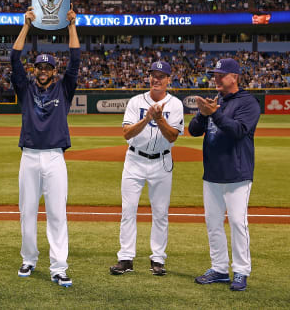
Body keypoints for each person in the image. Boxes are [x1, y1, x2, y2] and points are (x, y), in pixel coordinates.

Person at [10, 5, 80, 287]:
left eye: (47, 67)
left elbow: (75, 60)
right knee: (27, 211)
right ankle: (28, 258)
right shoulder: (25, 88)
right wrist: (26, 25)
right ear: (34, 69)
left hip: (53, 158)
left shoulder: (63, 88)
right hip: (29, 157)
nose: (42, 71)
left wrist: (72, 26)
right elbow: (13, 58)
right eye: (39, 67)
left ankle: (59, 266)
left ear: (53, 71)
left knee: (56, 213)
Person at [189, 58, 260, 291]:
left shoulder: (248, 103)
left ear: (234, 77)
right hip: (212, 173)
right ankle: (219, 268)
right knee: (213, 223)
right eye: (215, 74)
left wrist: (214, 114)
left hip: (238, 174)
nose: (216, 78)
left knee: (238, 222)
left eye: (221, 74)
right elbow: (193, 131)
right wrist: (202, 113)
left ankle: (241, 270)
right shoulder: (215, 101)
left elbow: (238, 131)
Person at [109, 61, 184, 277]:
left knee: (160, 212)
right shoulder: (135, 101)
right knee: (128, 210)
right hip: (135, 160)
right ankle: (125, 258)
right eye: (153, 75)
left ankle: (158, 259)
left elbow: (173, 136)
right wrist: (147, 118)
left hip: (161, 162)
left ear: (169, 79)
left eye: (161, 76)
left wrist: (159, 119)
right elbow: (127, 133)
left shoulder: (176, 104)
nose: (156, 79)